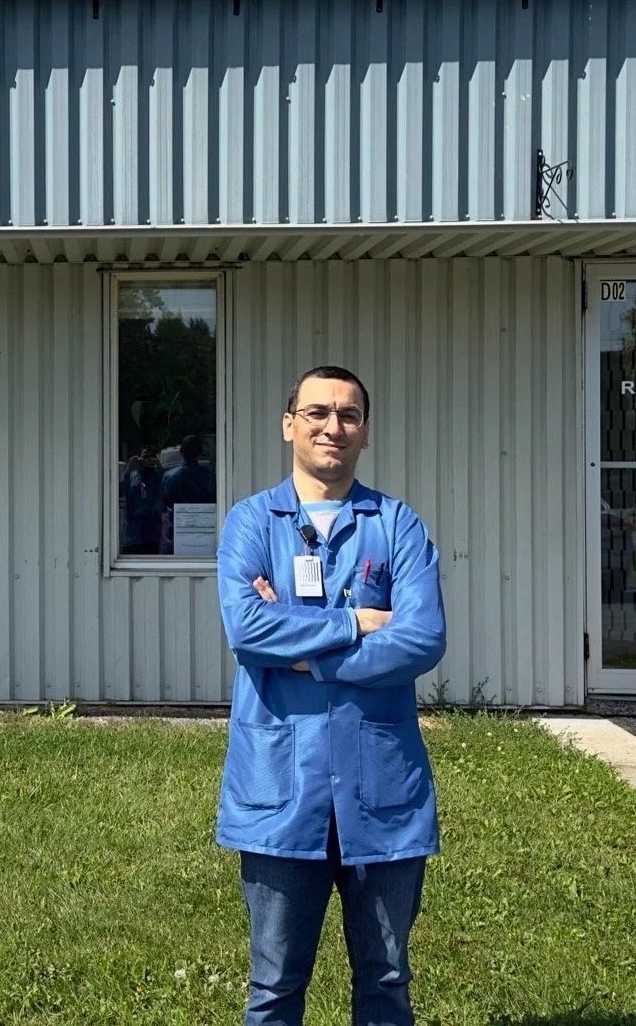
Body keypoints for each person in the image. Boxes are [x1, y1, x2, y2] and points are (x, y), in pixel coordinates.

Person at [216, 364, 447, 1026]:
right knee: (274, 986)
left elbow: (423, 637)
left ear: (365, 432)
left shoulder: (397, 524)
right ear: (290, 423)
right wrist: (354, 621)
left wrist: (307, 659)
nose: (332, 426)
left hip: (382, 792)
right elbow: (247, 627)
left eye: (348, 414)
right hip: (280, 794)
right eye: (316, 412)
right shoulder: (252, 523)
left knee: (386, 981)